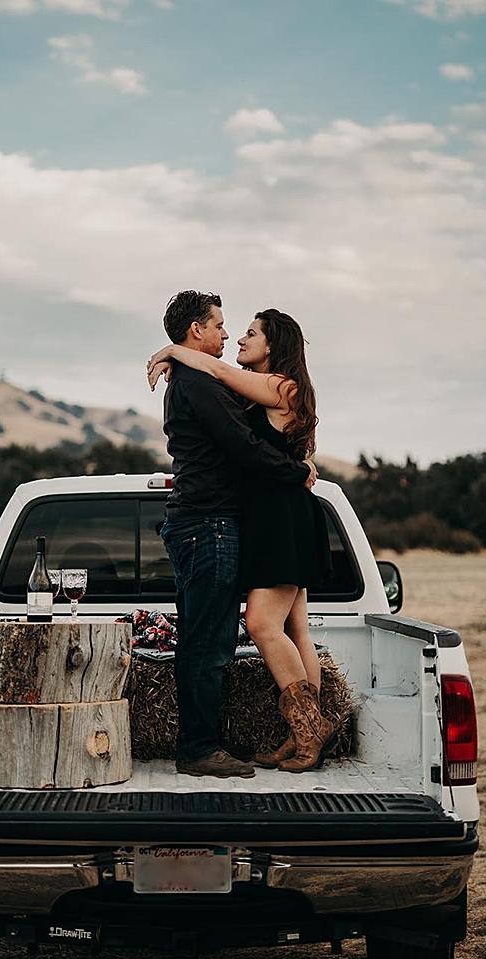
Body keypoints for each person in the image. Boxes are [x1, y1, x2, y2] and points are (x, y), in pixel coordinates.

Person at [148, 307, 335, 773]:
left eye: (250, 333)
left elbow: (216, 371)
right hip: (274, 515)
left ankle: (311, 733)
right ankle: (303, 736)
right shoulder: (262, 390)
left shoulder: (279, 385)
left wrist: (174, 351)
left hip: (282, 517)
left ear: (273, 345)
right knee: (296, 629)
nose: (235, 337)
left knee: (262, 625)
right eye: (227, 328)